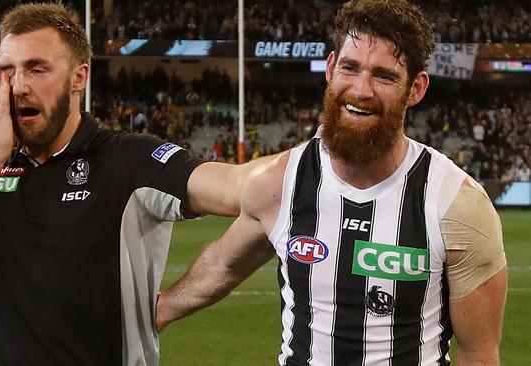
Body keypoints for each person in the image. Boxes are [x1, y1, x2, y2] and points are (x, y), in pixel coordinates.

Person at [0, 3, 264, 365]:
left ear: (79, 77)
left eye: (37, 69)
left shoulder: (129, 159)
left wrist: (172, 302)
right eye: (6, 72)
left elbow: (236, 186)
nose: (19, 87)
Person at [156, 1, 507, 365]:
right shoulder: (280, 182)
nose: (361, 90)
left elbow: (479, 353)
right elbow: (223, 266)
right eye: (350, 68)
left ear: (416, 89)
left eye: (384, 76)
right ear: (330, 68)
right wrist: (161, 309)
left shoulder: (456, 204)